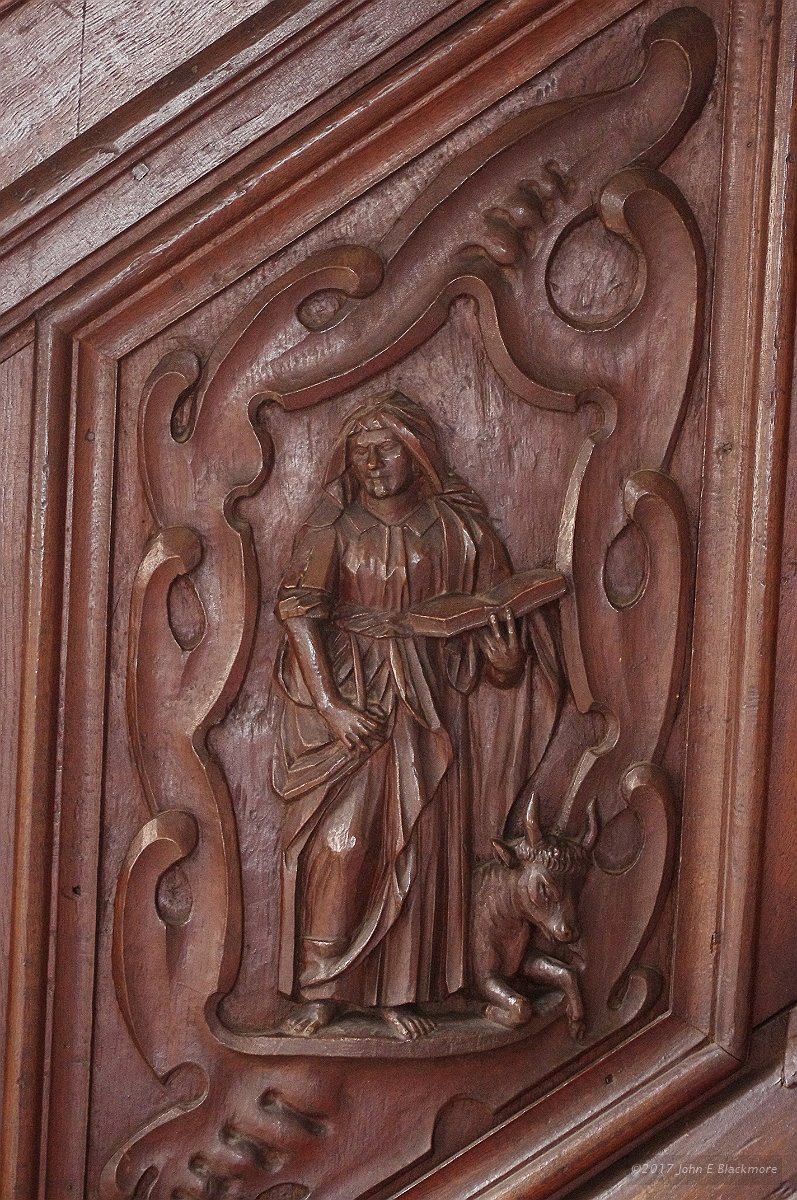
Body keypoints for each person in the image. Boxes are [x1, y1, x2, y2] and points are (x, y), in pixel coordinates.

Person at [269, 390, 550, 1039]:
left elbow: (490, 642)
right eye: (360, 451)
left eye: (385, 449)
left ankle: (401, 992)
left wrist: (505, 662)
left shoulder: (458, 532)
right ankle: (323, 987)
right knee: (340, 848)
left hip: (427, 709)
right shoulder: (334, 528)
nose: (371, 464)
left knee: (419, 850)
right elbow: (300, 618)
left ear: (417, 452)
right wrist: (332, 707)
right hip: (353, 705)